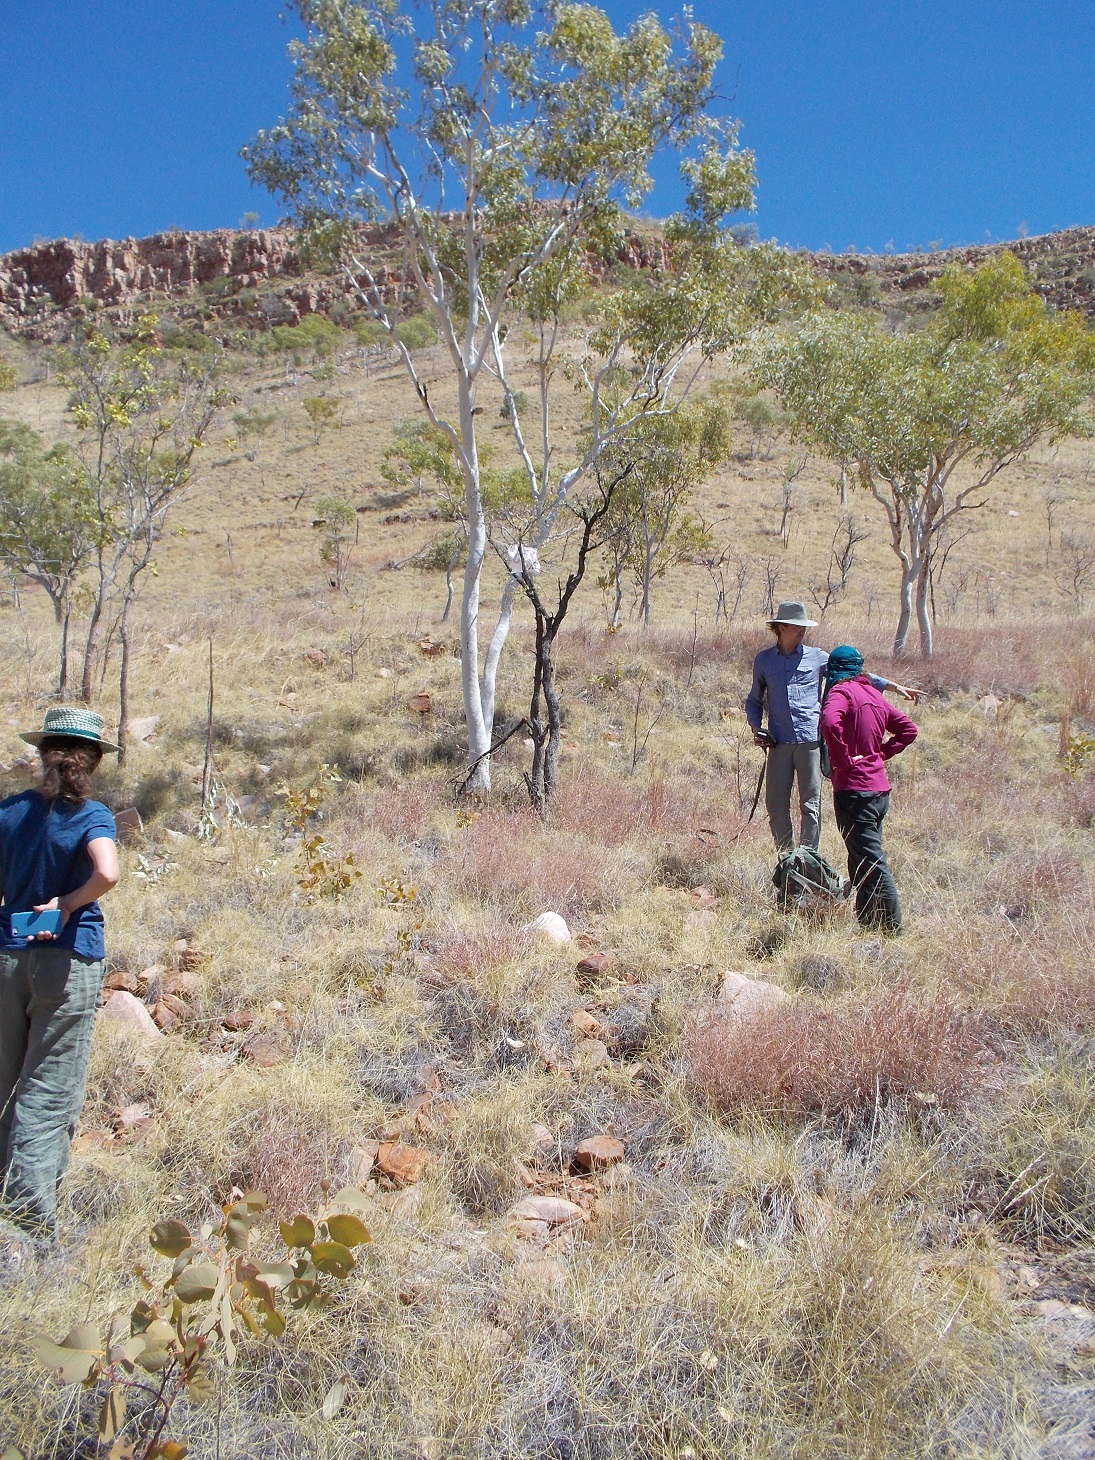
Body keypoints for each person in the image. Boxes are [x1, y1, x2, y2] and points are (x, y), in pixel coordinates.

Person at [0, 707, 120, 1239]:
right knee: (48, 1091)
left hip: (8, 953)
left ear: (44, 754)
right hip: (68, 959)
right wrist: (68, 905)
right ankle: (26, 1228)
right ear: (91, 761)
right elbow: (107, 872)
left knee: (6, 1084)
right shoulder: (92, 815)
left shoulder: (10, 812)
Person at [744, 601, 921, 853]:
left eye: (804, 626)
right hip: (779, 742)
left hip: (810, 742)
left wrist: (894, 686)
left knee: (810, 805)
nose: (803, 631)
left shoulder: (818, 657)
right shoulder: (764, 661)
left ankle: (808, 861)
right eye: (797, 626)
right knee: (775, 805)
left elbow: (852, 674)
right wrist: (756, 728)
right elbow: (753, 699)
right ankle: (786, 860)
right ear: (782, 627)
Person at [819, 645, 917, 933]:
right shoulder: (873, 693)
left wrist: (843, 760)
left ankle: (893, 929)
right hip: (878, 792)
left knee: (872, 861)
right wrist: (881, 754)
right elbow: (908, 730)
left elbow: (828, 722)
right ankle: (868, 922)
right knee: (860, 856)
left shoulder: (840, 692)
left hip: (854, 791)